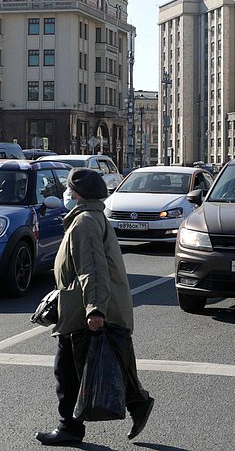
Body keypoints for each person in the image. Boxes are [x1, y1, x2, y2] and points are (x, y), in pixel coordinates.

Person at [36, 168, 154, 446]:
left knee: (67, 370)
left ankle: (69, 428)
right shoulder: (91, 217)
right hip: (88, 304)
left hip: (85, 309)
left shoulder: (85, 222)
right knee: (102, 363)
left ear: (78, 194)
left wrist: (95, 309)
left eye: (69, 190)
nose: (67, 194)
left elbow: (92, 269)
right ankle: (137, 402)